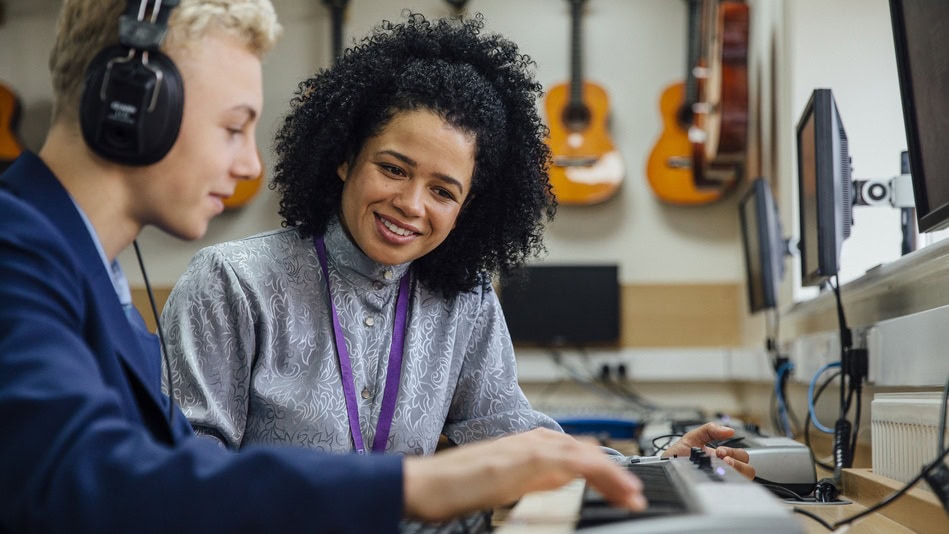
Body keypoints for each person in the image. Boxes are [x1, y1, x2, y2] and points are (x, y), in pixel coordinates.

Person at [0, 1, 657, 531]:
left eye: (443, 190)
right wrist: (416, 484)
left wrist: (651, 467)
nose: (249, 165)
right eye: (233, 127)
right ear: (131, 108)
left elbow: (165, 468)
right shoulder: (18, 255)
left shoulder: (87, 273)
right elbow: (89, 479)